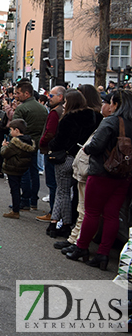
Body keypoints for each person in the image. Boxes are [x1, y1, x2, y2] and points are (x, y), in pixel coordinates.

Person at [66, 89, 132, 271]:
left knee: (92, 212)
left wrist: (87, 150)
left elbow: (95, 145)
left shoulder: (111, 121)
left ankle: (82, 247)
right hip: (123, 175)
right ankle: (103, 254)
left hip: (102, 172)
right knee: (112, 215)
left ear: (115, 104)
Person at [46, 89, 102, 238]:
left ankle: (63, 223)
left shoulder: (68, 118)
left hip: (67, 158)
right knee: (76, 194)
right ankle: (56, 222)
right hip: (85, 158)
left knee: (62, 192)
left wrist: (51, 145)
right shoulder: (96, 116)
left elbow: (59, 140)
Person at [13, 82, 48, 210]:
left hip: (23, 144)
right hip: (36, 143)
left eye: (18, 93)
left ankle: (25, 200)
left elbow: (15, 127)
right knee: (34, 171)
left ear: (26, 93)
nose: (16, 96)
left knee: (24, 173)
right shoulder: (42, 108)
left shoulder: (22, 108)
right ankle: (33, 200)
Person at [36, 86, 64, 222]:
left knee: (53, 184)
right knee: (59, 186)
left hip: (52, 151)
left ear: (60, 97)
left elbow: (49, 132)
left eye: (51, 96)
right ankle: (57, 213)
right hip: (61, 151)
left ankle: (53, 212)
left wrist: (42, 143)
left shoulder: (55, 112)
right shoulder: (63, 110)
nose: (49, 98)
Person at [0, 119, 36, 218]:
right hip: (23, 167)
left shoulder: (15, 143)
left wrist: (3, 146)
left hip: (13, 168)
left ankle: (15, 210)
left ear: (16, 130)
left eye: (11, 130)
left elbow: (5, 153)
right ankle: (24, 202)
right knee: (23, 184)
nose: (10, 132)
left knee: (14, 189)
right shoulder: (29, 141)